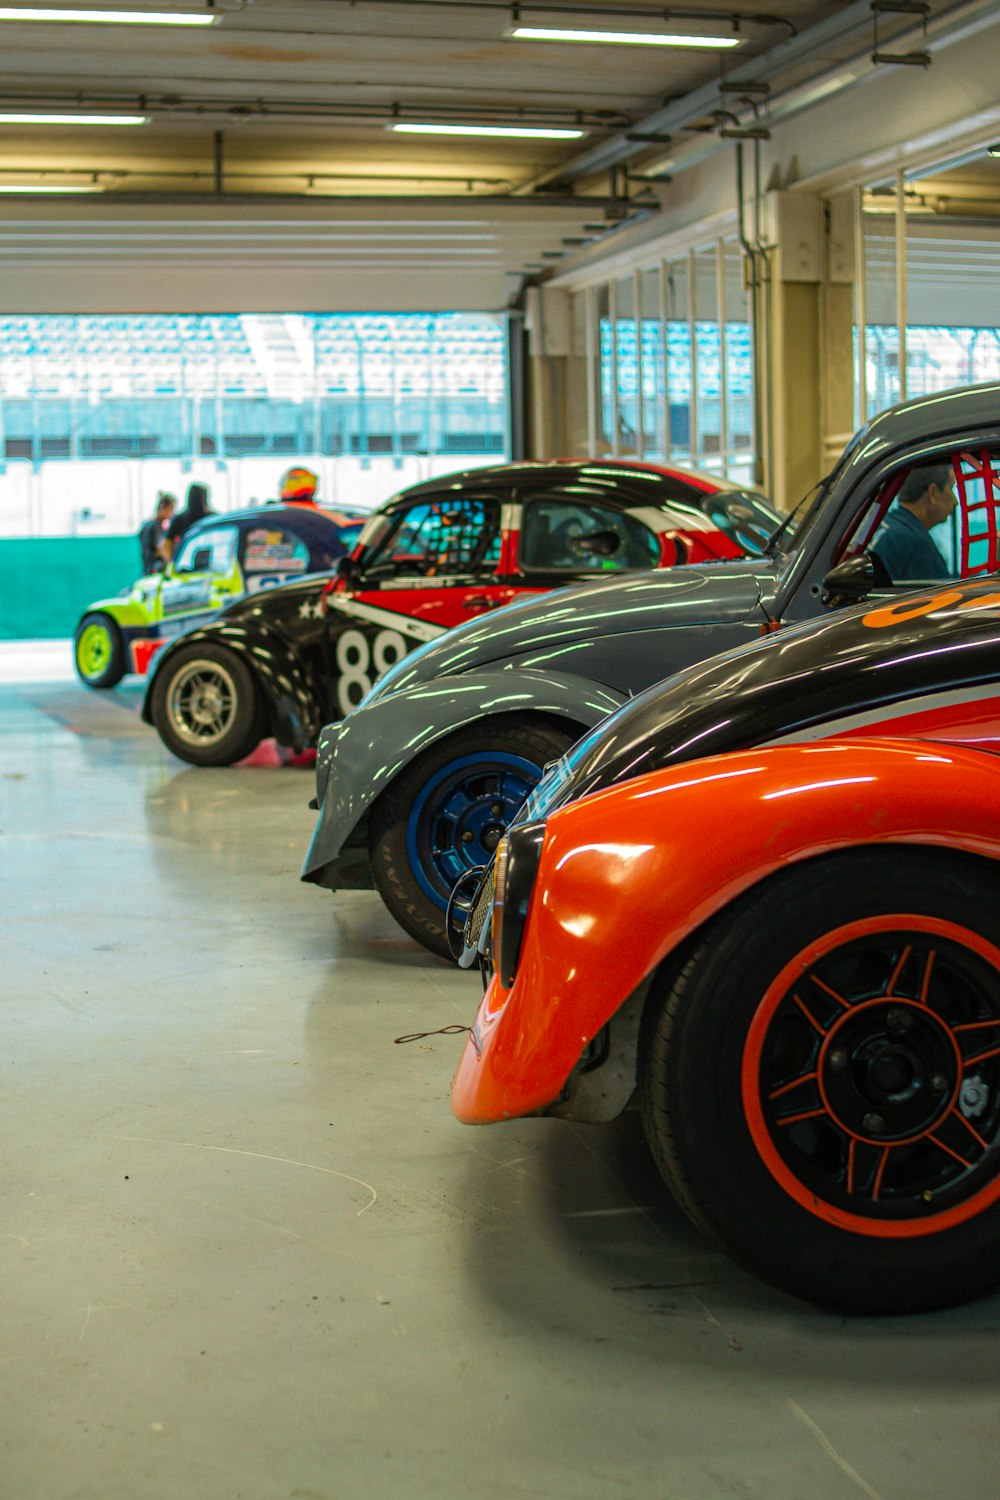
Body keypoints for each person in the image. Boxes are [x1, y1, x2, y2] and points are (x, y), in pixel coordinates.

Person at [871, 461, 957, 582]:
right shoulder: (916, 546)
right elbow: (949, 597)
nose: (955, 500)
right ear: (933, 492)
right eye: (951, 488)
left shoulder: (887, 525)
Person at [164, 481, 213, 560]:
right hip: (209, 558)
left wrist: (171, 561)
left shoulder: (180, 518)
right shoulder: (212, 517)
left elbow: (167, 542)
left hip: (185, 560)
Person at [138, 491, 175, 574]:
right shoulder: (154, 526)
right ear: (162, 507)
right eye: (171, 509)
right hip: (154, 571)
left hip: (147, 568)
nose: (172, 513)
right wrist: (171, 564)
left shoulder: (147, 525)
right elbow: (160, 549)